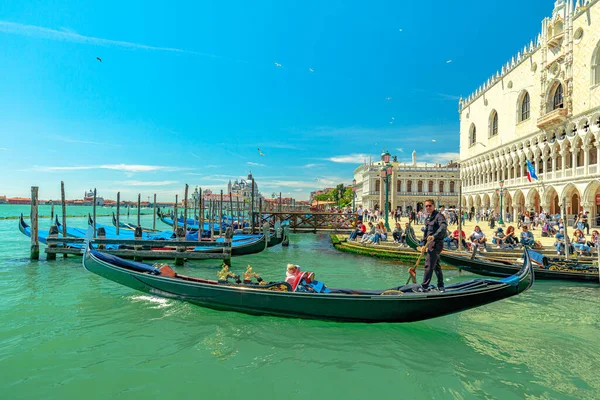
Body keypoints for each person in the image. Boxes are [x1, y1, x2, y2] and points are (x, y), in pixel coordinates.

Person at [420, 199, 447, 292]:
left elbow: (443, 227)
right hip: (429, 244)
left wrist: (434, 236)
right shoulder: (428, 218)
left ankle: (424, 287)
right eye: (426, 206)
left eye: (429, 206)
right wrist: (423, 245)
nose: (428, 207)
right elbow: (426, 233)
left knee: (429, 264)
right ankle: (441, 285)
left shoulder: (439, 216)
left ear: (433, 206)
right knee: (436, 265)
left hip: (436, 244)